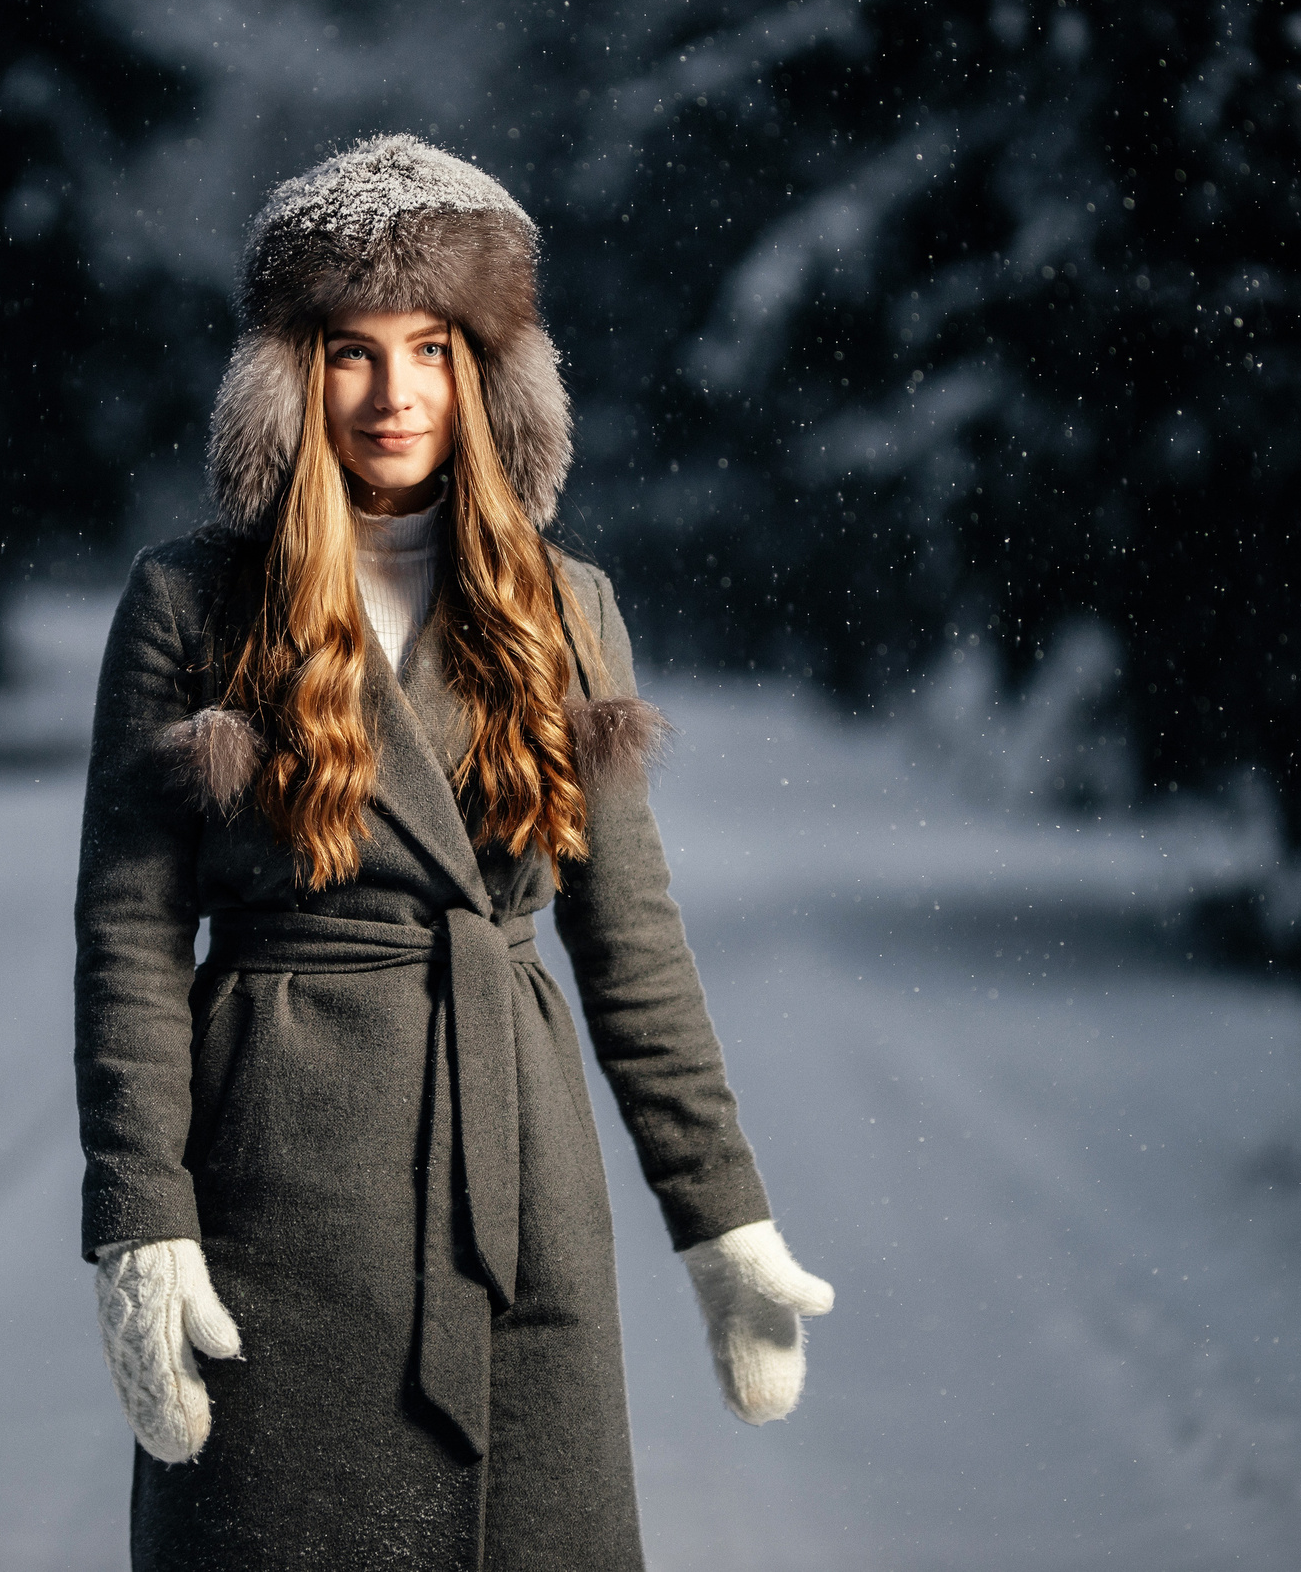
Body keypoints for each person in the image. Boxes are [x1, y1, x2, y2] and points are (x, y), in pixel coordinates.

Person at [74, 135, 833, 1572]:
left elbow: (633, 945)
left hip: (519, 1180)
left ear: (492, 370)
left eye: (433, 345)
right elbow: (124, 936)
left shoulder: (566, 609)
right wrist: (140, 1223)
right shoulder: (186, 606)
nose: (394, 391)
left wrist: (720, 1217)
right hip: (281, 1178)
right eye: (349, 351)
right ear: (290, 374)